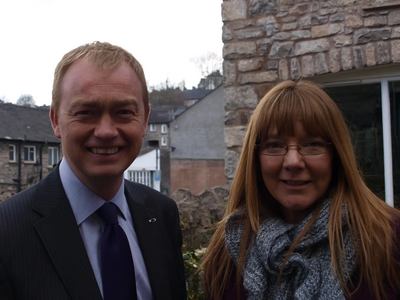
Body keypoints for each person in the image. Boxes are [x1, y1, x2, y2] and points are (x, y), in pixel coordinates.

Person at [0, 42, 187, 300]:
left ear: (144, 120)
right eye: (86, 112)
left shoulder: (162, 214)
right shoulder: (7, 231)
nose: (106, 131)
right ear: (56, 120)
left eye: (123, 112)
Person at [202, 80, 400, 300]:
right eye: (274, 145)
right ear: (255, 158)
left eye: (312, 144)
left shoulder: (389, 240)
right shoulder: (228, 249)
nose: (293, 161)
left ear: (336, 155)